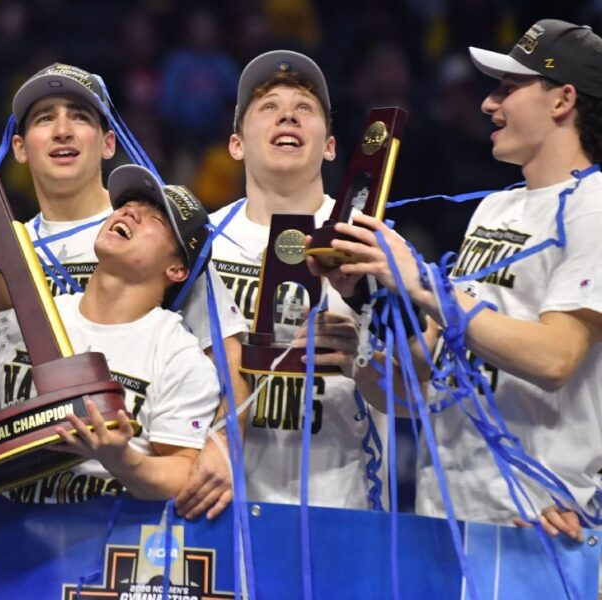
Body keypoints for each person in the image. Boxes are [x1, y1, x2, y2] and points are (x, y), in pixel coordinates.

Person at [314, 19, 602, 540]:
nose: (489, 105)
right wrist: (357, 343)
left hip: (540, 526)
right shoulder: (494, 208)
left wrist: (422, 283)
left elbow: (555, 358)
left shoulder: (594, 204)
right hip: (445, 517)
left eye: (508, 89)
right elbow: (417, 387)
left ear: (562, 99)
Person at [0, 164, 221, 502]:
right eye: (127, 205)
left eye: (157, 217)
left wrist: (121, 459)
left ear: (177, 269)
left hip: (103, 541)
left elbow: (183, 473)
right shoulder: (34, 318)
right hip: (7, 539)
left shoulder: (177, 355)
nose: (131, 212)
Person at [176, 51, 388, 518]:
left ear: (330, 146)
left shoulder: (371, 242)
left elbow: (414, 392)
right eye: (268, 106)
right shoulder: (194, 248)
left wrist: (365, 359)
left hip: (338, 507)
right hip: (211, 505)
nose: (288, 113)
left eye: (304, 108)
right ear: (236, 145)